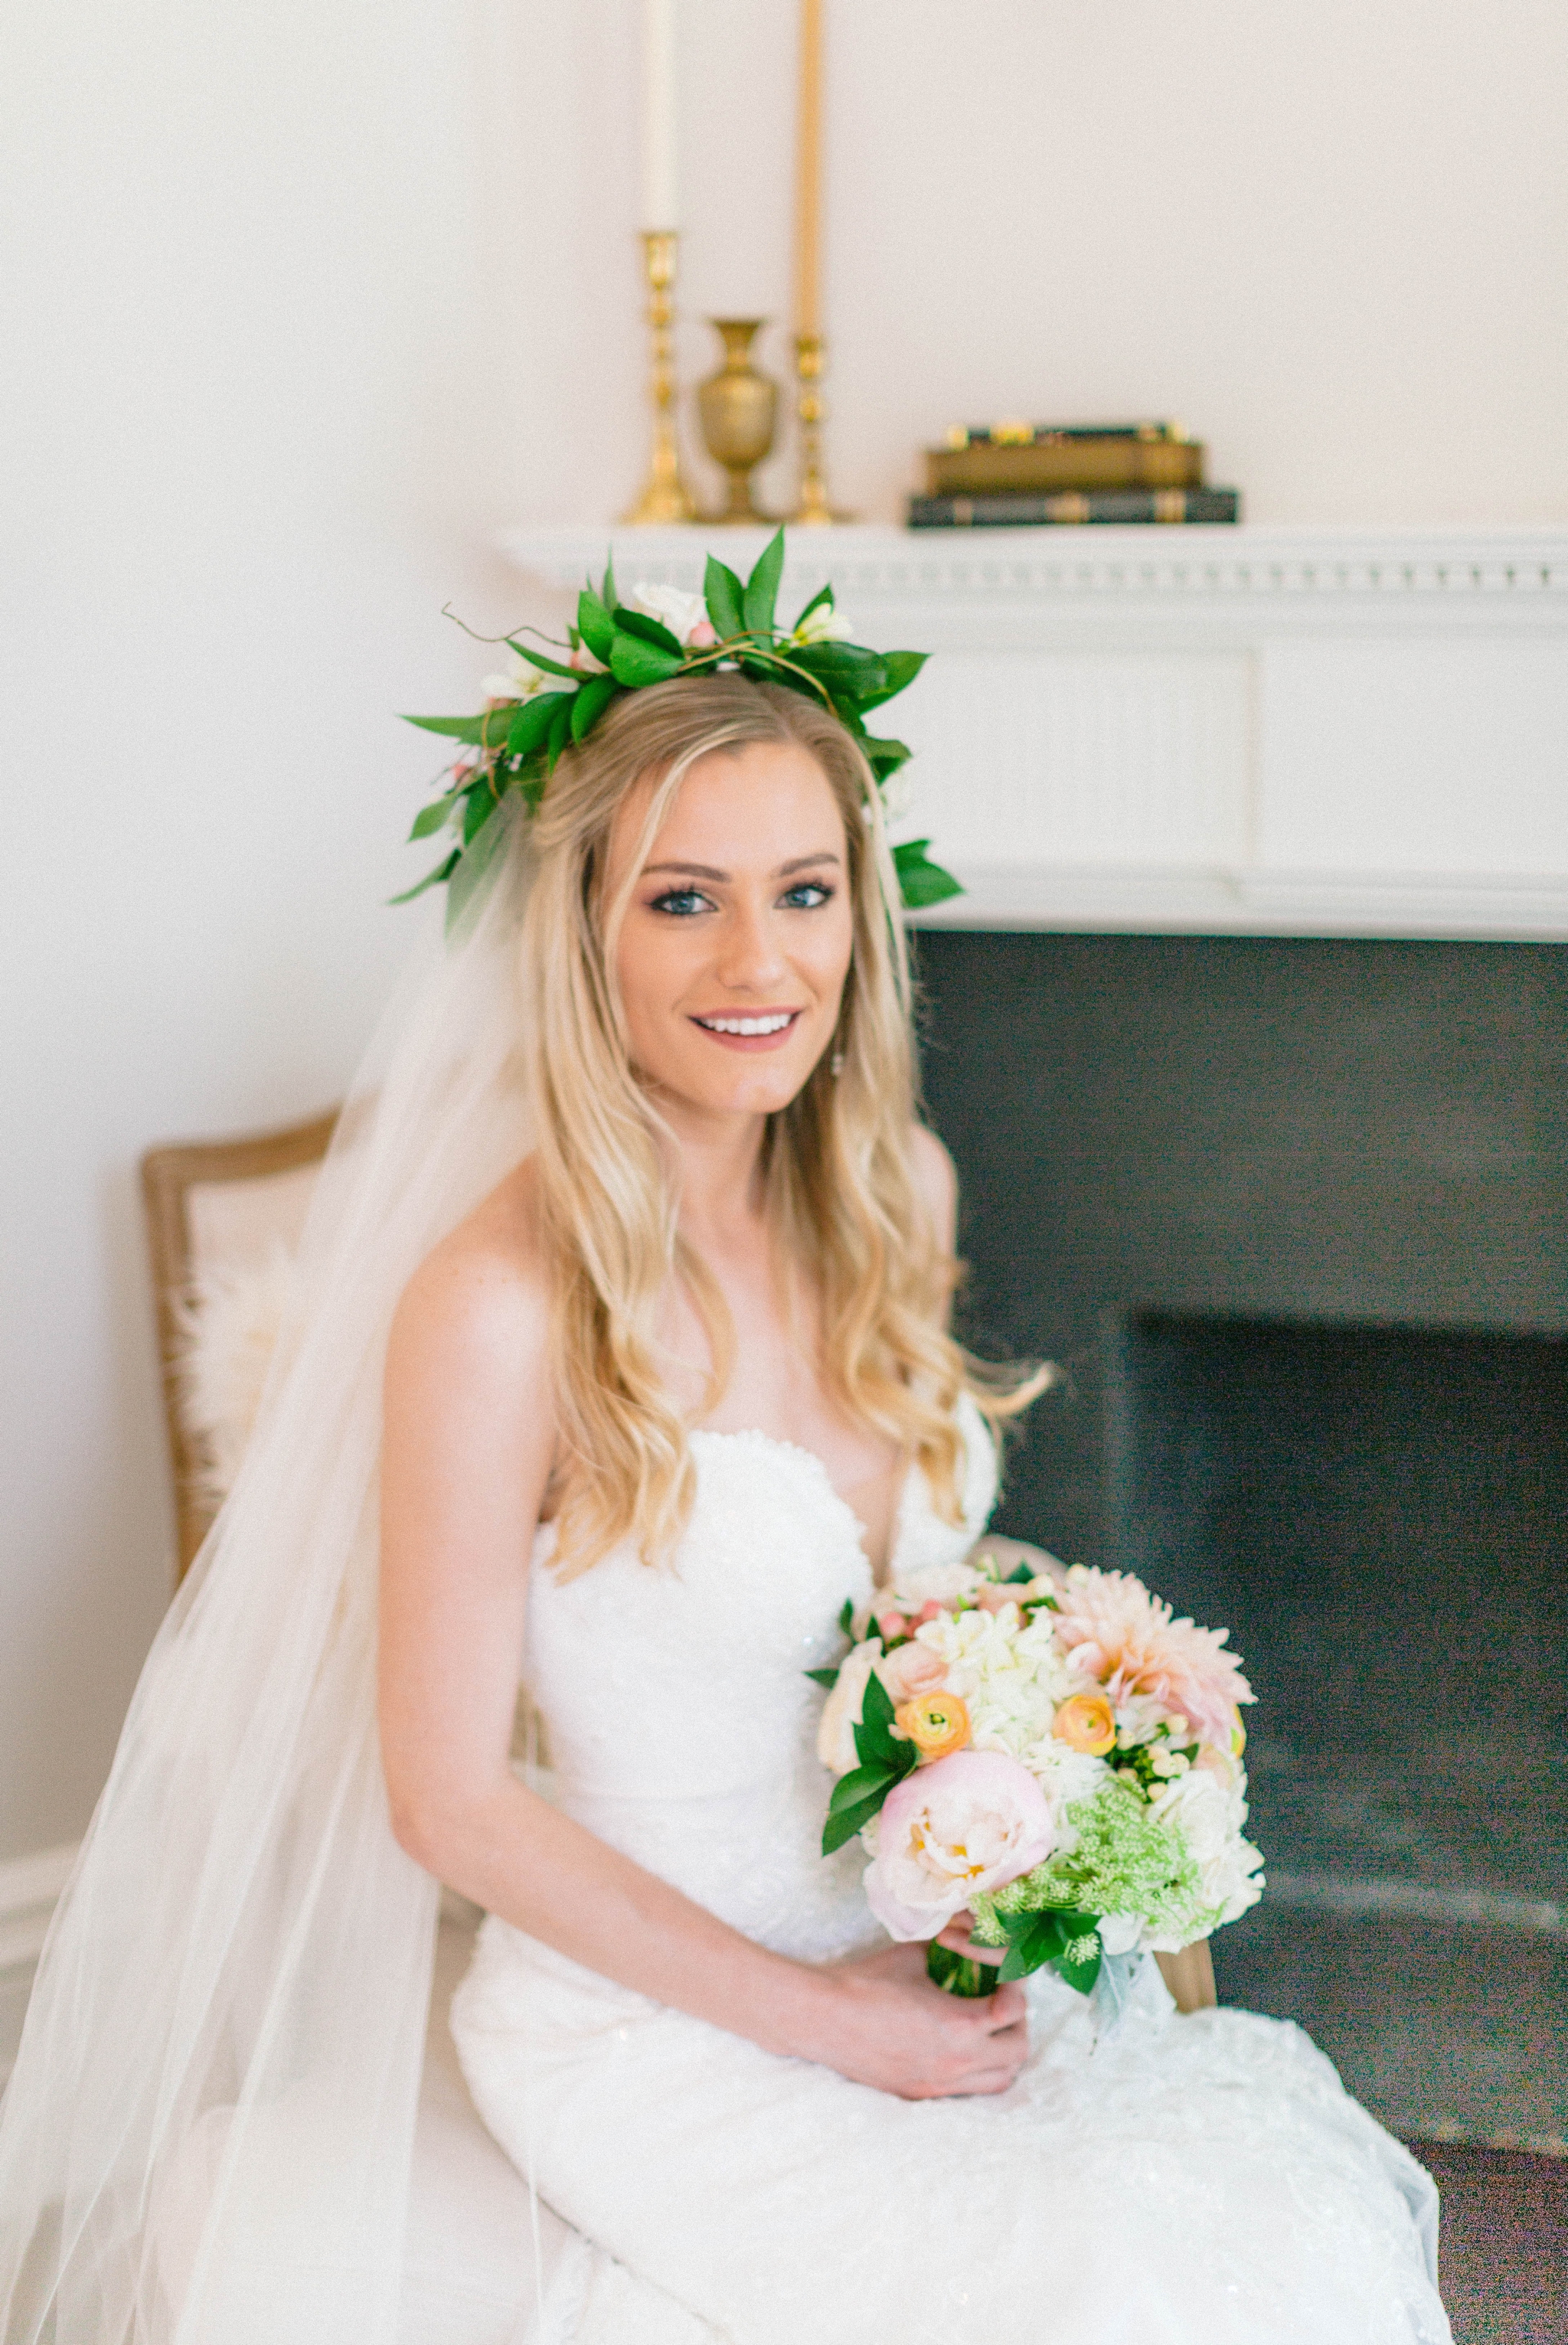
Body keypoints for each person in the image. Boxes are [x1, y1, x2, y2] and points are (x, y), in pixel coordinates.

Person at [0, 556, 1449, 2344]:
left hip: (936, 1963)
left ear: (863, 915)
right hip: (654, 2023)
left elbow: (918, 1591)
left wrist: (1073, 1738)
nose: (760, 962)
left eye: (804, 892)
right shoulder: (497, 1309)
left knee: (1267, 2242)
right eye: (684, 898)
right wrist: (829, 2014)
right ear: (584, 926)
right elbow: (446, 1796)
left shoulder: (894, 1193)